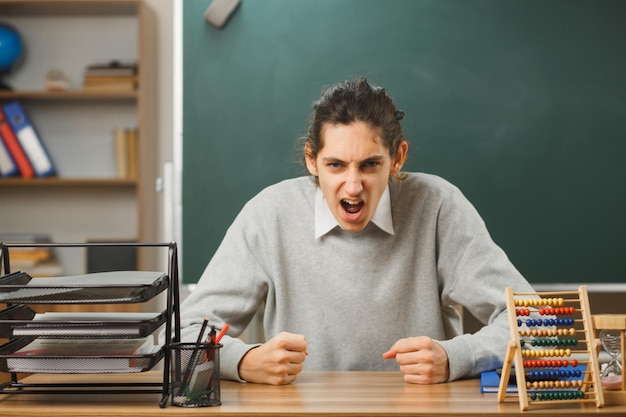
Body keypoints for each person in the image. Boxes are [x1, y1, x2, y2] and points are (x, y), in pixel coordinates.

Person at [178, 77, 535, 385]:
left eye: (369, 165)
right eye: (335, 165)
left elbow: (534, 323)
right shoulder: (269, 214)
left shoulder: (438, 206)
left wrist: (454, 357)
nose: (352, 186)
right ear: (310, 160)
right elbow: (183, 336)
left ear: (397, 158)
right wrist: (242, 361)